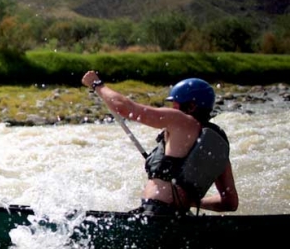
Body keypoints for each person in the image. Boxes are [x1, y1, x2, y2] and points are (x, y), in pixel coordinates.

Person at [82, 71, 238, 216]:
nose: (172, 108)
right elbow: (229, 203)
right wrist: (190, 201)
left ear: (191, 106)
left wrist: (97, 85)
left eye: (175, 104)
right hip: (179, 217)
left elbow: (126, 109)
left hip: (156, 213)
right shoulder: (218, 145)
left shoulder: (181, 120)